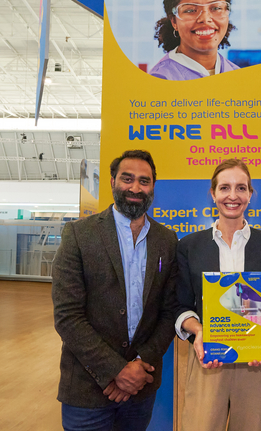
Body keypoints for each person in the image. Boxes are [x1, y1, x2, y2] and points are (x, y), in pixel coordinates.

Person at [52, 149, 178, 431]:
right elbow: (67, 316)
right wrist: (116, 371)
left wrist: (139, 365)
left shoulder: (167, 241)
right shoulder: (78, 235)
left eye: (144, 181)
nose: (135, 188)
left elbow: (169, 312)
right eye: (127, 179)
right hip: (87, 388)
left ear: (153, 187)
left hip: (141, 387)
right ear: (112, 182)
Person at [176, 159, 261, 431]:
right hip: (208, 358)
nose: (233, 195)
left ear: (250, 195)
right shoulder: (189, 246)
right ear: (213, 194)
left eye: (241, 188)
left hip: (257, 360)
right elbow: (180, 305)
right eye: (224, 187)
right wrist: (199, 330)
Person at [150, 0, 239, 80]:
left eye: (216, 8)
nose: (205, 19)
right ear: (174, 21)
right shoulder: (160, 79)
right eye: (190, 10)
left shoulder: (238, 75)